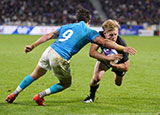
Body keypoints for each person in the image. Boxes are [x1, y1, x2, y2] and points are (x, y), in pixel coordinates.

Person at [6, 8, 136, 106]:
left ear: (76, 20)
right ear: (89, 21)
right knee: (66, 84)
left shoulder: (67, 26)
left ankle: (14, 93)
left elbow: (48, 36)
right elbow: (105, 42)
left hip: (49, 50)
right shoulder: (89, 31)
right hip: (60, 57)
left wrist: (33, 45)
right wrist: (122, 48)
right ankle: (39, 96)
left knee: (35, 74)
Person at [82, 19, 130, 103]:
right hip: (105, 57)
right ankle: (91, 96)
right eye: (111, 35)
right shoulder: (99, 37)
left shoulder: (121, 44)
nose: (114, 37)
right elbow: (92, 52)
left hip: (118, 61)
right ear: (104, 33)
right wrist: (107, 59)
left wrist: (112, 65)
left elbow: (126, 67)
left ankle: (118, 72)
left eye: (115, 34)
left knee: (118, 83)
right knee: (96, 78)